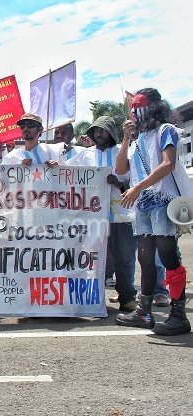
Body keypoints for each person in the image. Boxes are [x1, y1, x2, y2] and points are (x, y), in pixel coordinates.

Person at [115, 88, 191, 335]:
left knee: (168, 256)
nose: (135, 113)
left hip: (162, 200)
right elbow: (120, 169)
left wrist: (137, 187)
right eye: (133, 110)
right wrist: (126, 138)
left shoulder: (166, 131)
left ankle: (178, 315)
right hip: (143, 205)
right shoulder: (137, 141)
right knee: (145, 258)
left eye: (139, 108)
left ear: (154, 108)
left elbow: (168, 164)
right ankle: (144, 312)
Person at [67, 116, 137, 312]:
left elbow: (135, 180)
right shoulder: (84, 155)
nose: (98, 134)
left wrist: (120, 183)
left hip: (120, 216)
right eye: (95, 131)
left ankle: (127, 297)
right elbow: (66, 173)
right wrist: (52, 165)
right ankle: (89, 298)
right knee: (89, 258)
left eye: (102, 130)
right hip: (92, 217)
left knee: (123, 258)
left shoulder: (124, 153)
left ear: (111, 132)